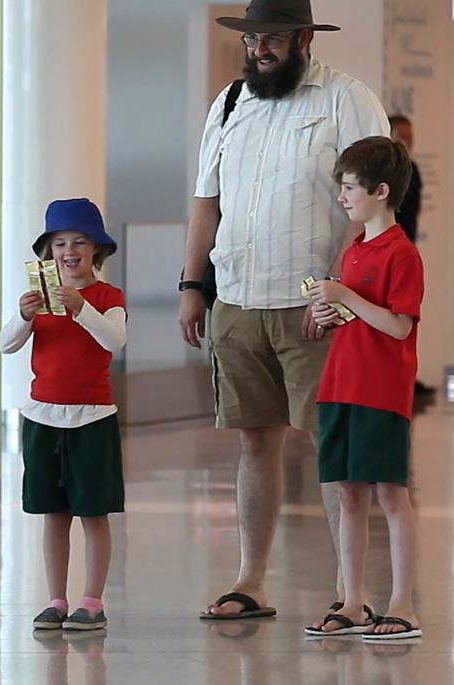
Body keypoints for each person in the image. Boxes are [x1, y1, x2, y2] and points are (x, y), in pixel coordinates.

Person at [177, 0, 389, 621]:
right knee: (254, 442)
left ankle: (352, 593)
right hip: (239, 297)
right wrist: (192, 285)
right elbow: (206, 201)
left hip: (315, 303)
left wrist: (337, 287)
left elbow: (374, 206)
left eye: (271, 38)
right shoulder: (229, 103)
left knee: (334, 447)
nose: (259, 49)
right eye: (252, 39)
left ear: (304, 38)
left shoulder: (346, 99)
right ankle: (251, 581)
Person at [304, 137, 423, 641]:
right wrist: (330, 311)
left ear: (381, 190)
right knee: (348, 494)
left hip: (381, 390)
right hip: (340, 385)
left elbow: (398, 325)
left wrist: (346, 296)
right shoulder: (354, 251)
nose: (342, 197)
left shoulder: (402, 253)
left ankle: (403, 605)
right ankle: (354, 601)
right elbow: (360, 317)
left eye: (350, 187)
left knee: (391, 494)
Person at [0, 198, 127, 632]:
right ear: (48, 252)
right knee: (53, 513)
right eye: (59, 243)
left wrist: (81, 308)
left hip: (93, 418)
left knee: (94, 512)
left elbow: (114, 340)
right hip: (43, 417)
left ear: (96, 249)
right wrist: (23, 316)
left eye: (79, 242)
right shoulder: (38, 300)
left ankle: (92, 601)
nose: (69, 251)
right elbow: (6, 345)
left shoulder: (108, 297)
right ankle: (56, 599)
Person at [388, 114, 434, 397]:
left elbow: (415, 210)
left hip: (406, 252)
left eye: (410, 136)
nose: (407, 142)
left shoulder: (413, 171)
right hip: (388, 254)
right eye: (401, 136)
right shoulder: (385, 173)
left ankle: (405, 377)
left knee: (407, 316)